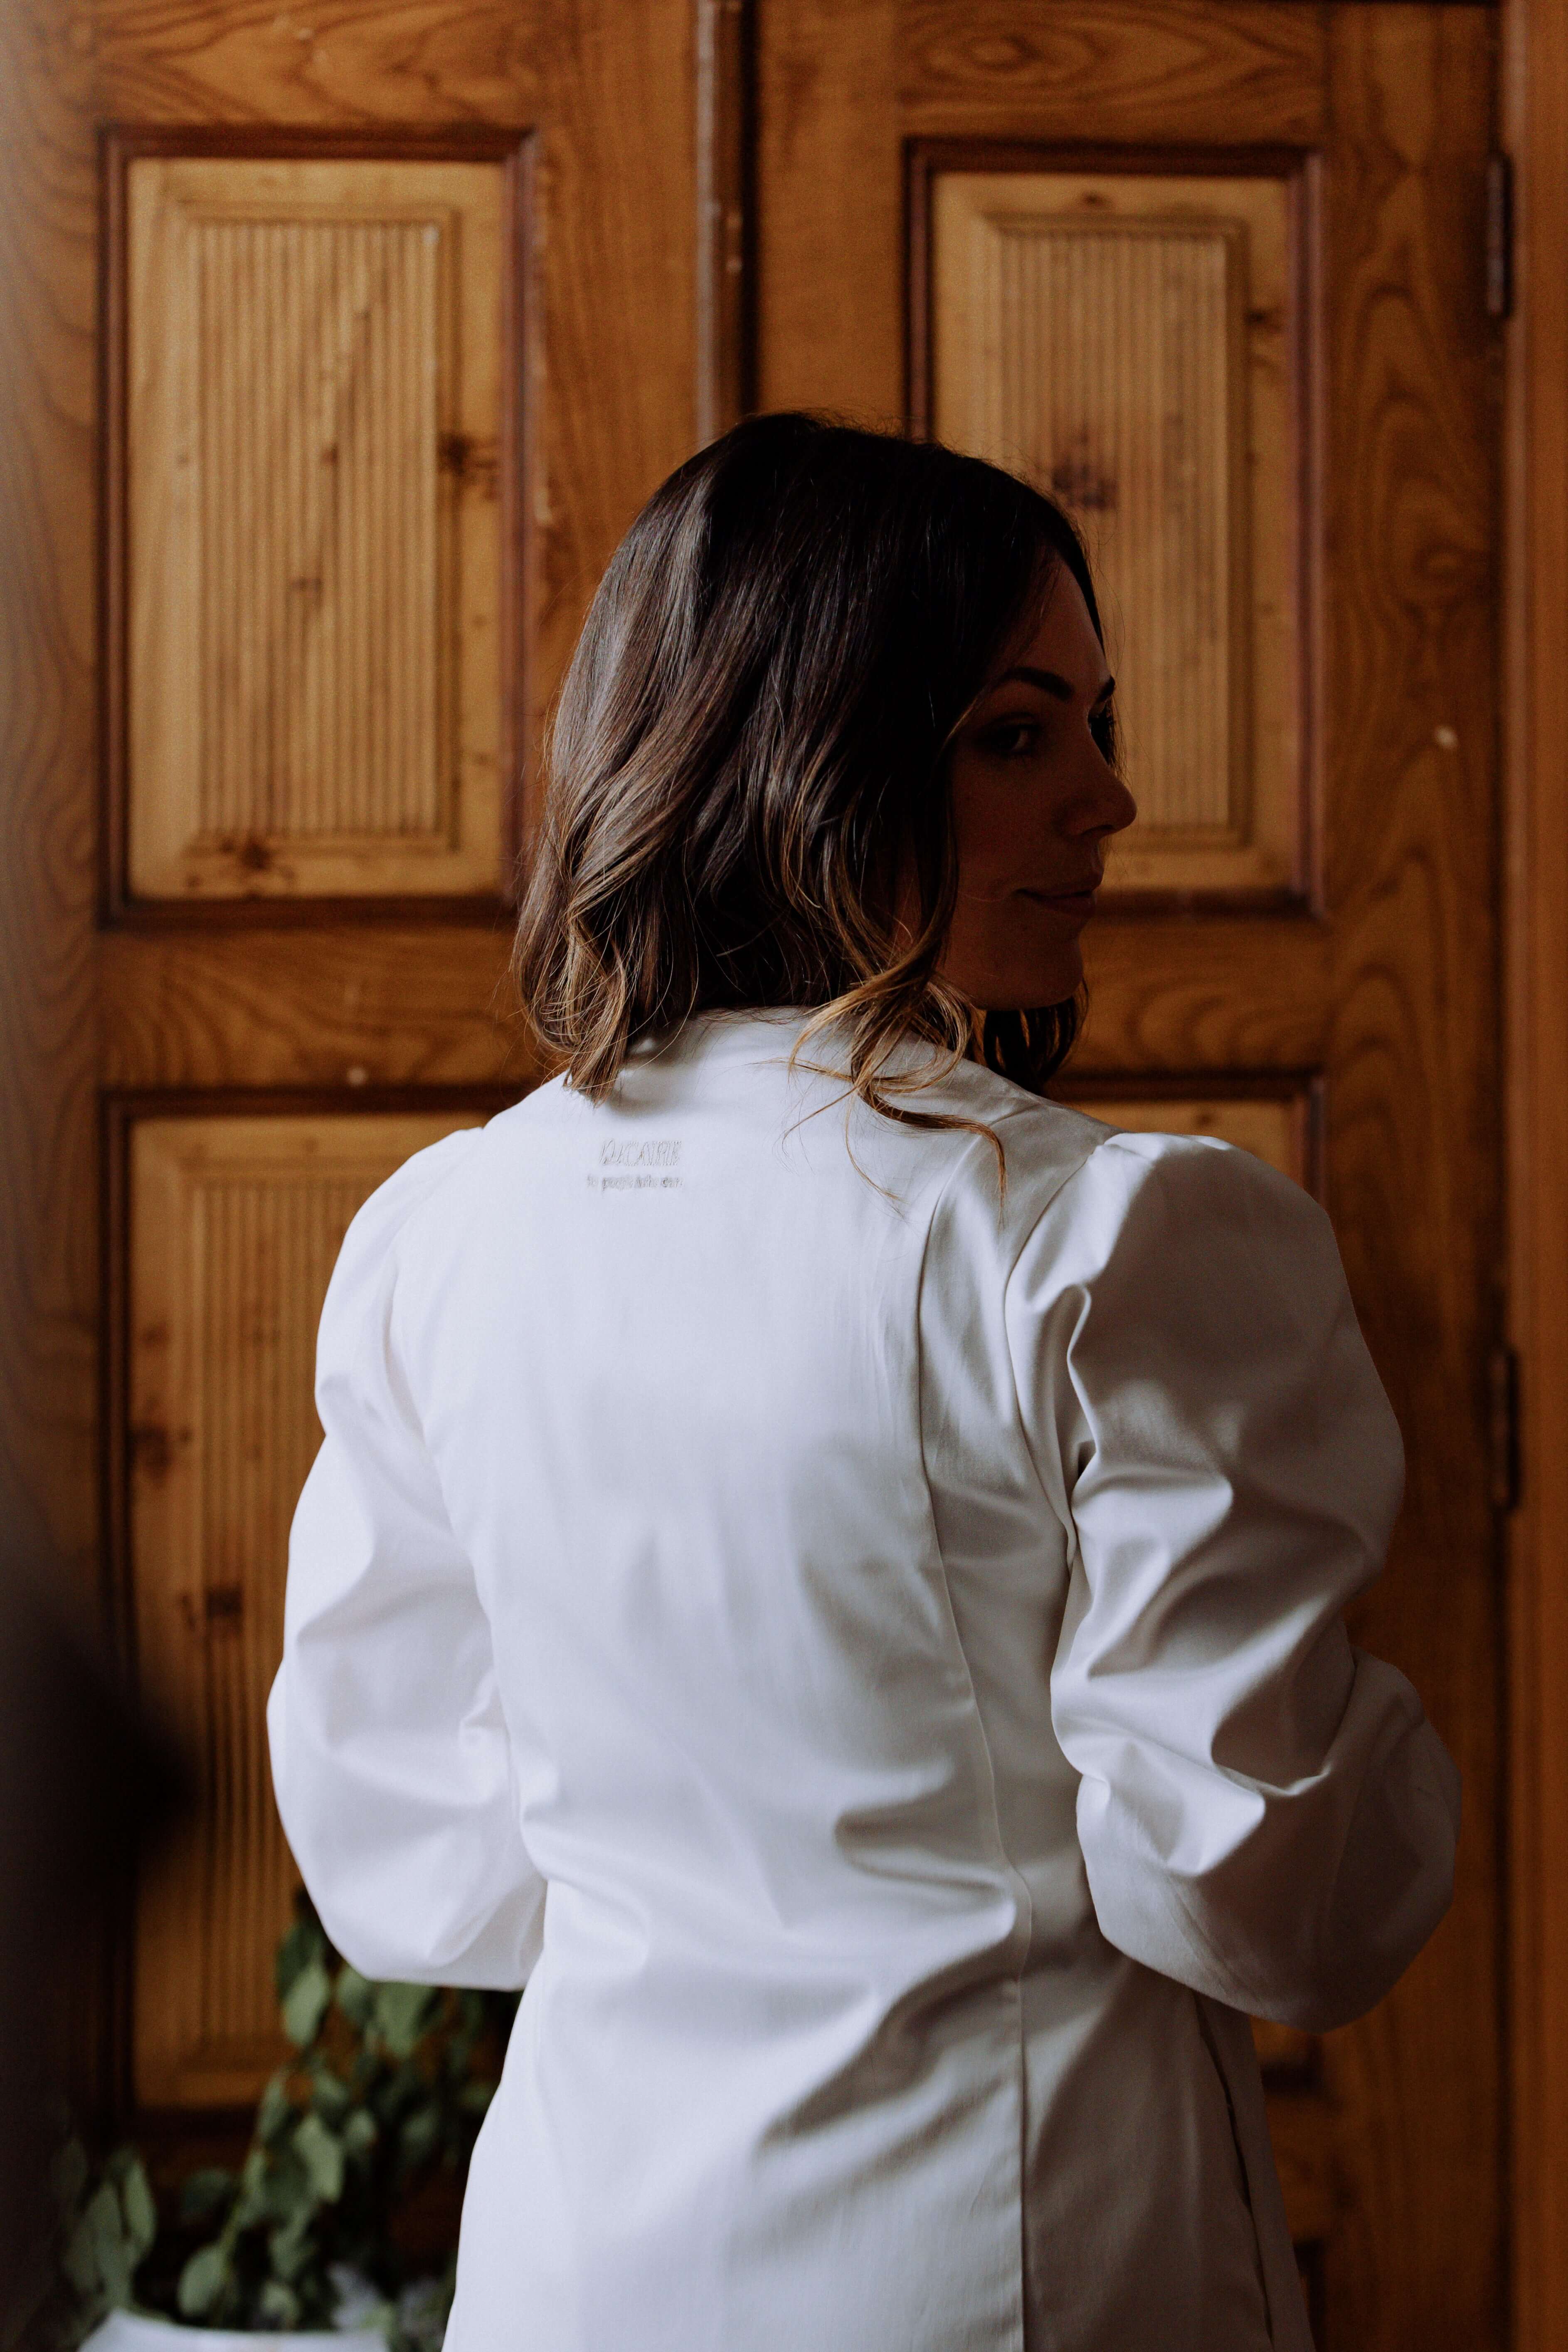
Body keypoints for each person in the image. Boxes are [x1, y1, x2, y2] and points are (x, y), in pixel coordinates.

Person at [268, 414, 1459, 2352]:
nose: (1112, 795)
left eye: (1094, 720)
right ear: (799, 758)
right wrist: (1401, 1775)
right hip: (1001, 2270)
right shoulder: (1111, 1241)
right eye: (1018, 733)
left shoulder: (441, 1231)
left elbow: (409, 1860)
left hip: (584, 2272)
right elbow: (1264, 1892)